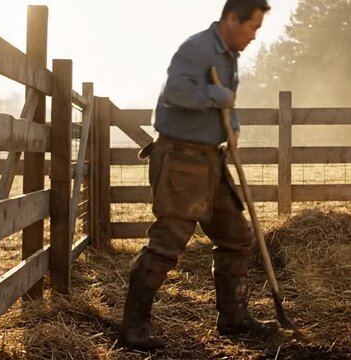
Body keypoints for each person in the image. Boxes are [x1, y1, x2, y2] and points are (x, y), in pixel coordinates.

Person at [119, 0, 277, 350]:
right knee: (168, 242)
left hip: (211, 160)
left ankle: (233, 317)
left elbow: (226, 106)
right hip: (181, 161)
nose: (254, 36)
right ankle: (134, 327)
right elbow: (174, 92)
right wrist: (212, 94)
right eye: (252, 27)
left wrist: (232, 125)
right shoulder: (196, 48)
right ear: (232, 18)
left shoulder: (229, 56)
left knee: (236, 236)